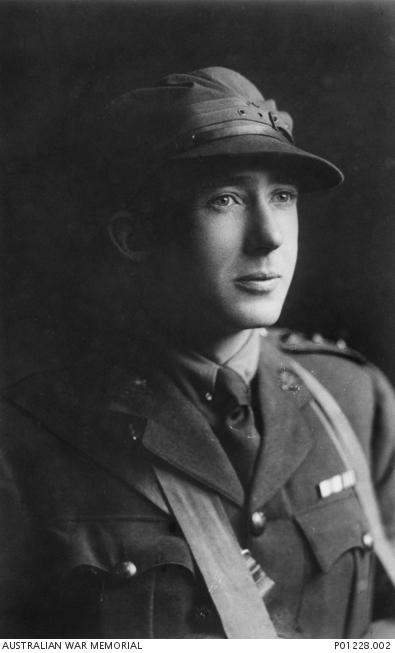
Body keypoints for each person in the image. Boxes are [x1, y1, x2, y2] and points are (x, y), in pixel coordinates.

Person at [1, 66, 395, 639]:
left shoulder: (351, 400)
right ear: (135, 236)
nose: (269, 236)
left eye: (282, 196)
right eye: (226, 199)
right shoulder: (29, 439)